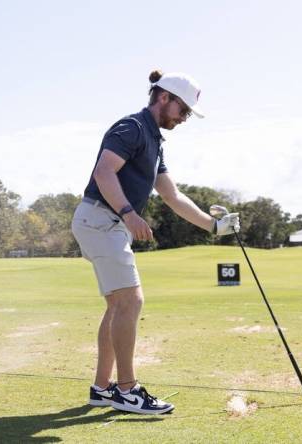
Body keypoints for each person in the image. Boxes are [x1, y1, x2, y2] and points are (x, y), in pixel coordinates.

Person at [71, 70, 240, 414]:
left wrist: (213, 226)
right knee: (131, 302)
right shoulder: (131, 128)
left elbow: (172, 195)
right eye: (184, 110)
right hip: (102, 218)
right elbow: (103, 173)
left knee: (118, 305)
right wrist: (130, 214)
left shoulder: (155, 141)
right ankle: (128, 391)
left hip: (104, 221)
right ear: (164, 98)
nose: (185, 118)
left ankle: (103, 388)